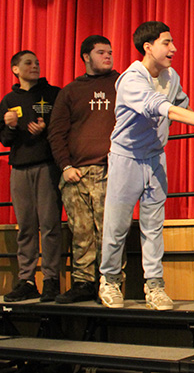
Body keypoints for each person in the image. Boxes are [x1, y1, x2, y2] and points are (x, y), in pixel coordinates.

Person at [98, 21, 194, 310]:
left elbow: (179, 102)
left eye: (173, 42)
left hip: (154, 158)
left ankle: (154, 287)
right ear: (148, 47)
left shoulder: (170, 76)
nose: (173, 49)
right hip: (125, 158)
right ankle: (109, 281)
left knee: (153, 226)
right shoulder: (131, 79)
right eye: (167, 43)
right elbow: (160, 107)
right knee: (116, 226)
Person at [48, 35, 118, 304]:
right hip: (76, 173)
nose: (108, 56)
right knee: (81, 232)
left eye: (110, 52)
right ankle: (83, 283)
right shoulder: (70, 91)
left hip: (110, 170)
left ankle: (109, 283)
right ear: (86, 56)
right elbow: (56, 133)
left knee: (109, 232)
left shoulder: (121, 83)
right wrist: (65, 166)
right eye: (101, 52)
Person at [0, 50, 63, 303]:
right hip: (20, 168)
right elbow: (3, 138)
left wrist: (47, 129)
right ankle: (26, 279)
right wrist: (11, 125)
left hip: (47, 165)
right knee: (25, 226)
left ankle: (50, 280)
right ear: (15, 69)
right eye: (28, 63)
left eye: (37, 62)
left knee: (49, 225)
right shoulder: (9, 99)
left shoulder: (52, 94)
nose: (35, 66)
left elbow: (65, 127)